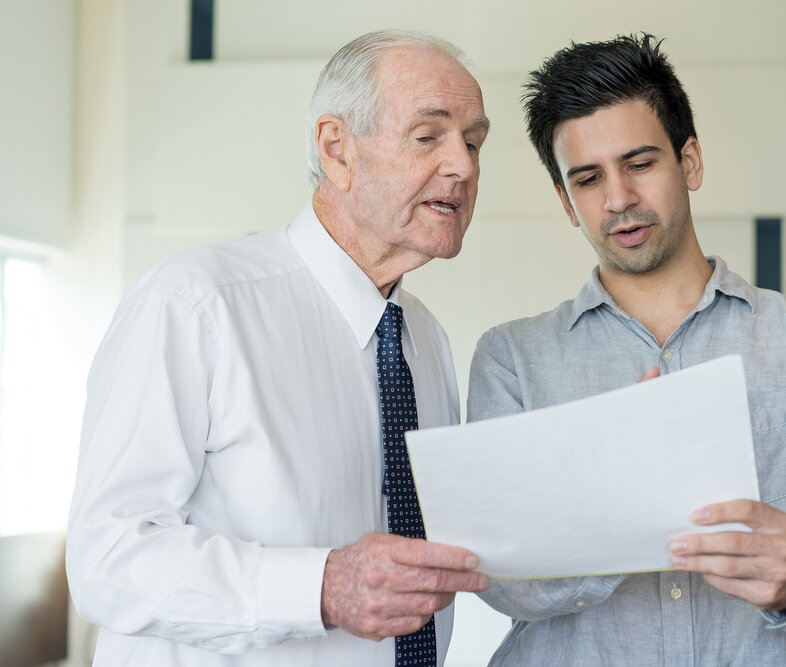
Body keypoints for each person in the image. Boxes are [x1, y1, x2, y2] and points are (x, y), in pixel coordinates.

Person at [467, 33, 786, 666]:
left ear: (690, 162)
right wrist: (616, 506)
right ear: (565, 202)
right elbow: (493, 571)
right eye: (588, 178)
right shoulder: (511, 360)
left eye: (640, 163)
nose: (618, 199)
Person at [66, 30, 490, 666]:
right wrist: (320, 587)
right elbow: (107, 559)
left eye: (474, 141)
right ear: (337, 148)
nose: (462, 165)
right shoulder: (195, 304)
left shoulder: (423, 338)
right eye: (429, 136)